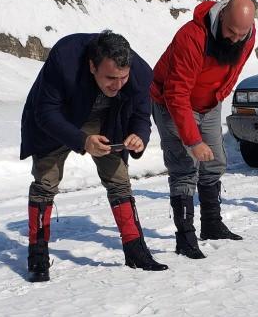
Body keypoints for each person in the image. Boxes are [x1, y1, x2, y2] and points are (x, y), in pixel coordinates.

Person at [20, 31, 167, 282]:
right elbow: (45, 113)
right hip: (58, 120)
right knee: (45, 183)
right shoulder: (65, 58)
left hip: (105, 121)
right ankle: (38, 254)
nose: (118, 84)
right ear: (92, 66)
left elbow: (142, 115)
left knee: (119, 180)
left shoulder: (141, 73)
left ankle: (135, 249)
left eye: (123, 77)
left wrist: (139, 137)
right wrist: (82, 141)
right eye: (110, 77)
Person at [151, 0, 256, 259]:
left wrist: (220, 95)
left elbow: (235, 68)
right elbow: (176, 93)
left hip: (208, 103)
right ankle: (185, 237)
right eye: (231, 31)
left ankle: (211, 224)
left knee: (215, 162)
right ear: (221, 16)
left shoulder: (247, 35)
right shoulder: (192, 36)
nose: (235, 39)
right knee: (186, 167)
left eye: (241, 34)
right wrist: (193, 140)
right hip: (171, 103)